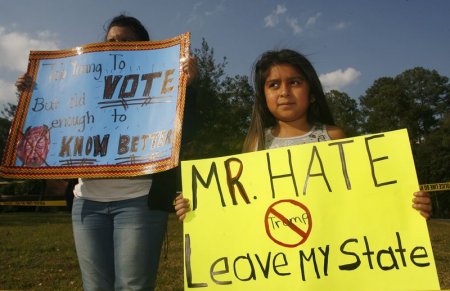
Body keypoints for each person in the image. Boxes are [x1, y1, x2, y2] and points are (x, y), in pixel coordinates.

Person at [16, 14, 197, 291]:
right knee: (95, 287)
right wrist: (35, 92)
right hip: (87, 202)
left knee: (133, 286)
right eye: (112, 40)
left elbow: (184, 126)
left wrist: (187, 85)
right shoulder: (85, 82)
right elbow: (57, 116)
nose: (117, 44)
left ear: (144, 48)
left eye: (126, 40)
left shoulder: (163, 83)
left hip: (139, 201)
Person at [175, 48, 432, 221]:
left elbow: (363, 197)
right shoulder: (256, 144)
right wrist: (196, 207)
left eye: (294, 82)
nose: (284, 91)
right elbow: (241, 205)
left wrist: (410, 205)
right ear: (264, 97)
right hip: (276, 257)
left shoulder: (333, 136)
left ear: (311, 92)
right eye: (273, 84)